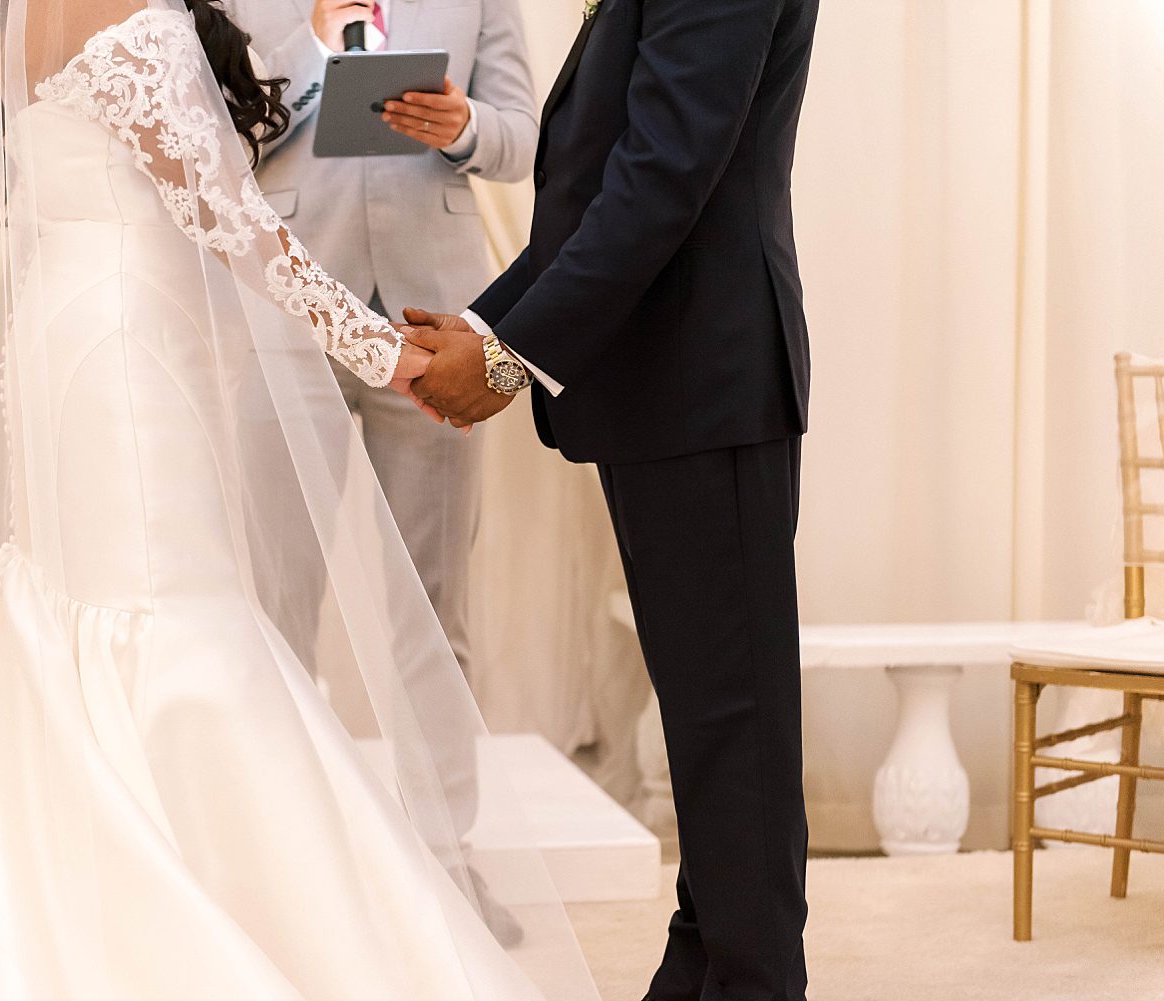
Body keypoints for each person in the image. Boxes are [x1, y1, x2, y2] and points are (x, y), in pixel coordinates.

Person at [0, 2, 597, 998]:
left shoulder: (11, 19)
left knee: (78, 607)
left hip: (70, 323)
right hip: (124, 346)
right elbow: (235, 220)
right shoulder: (129, 15)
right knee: (166, 612)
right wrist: (387, 348)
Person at [403, 1, 821, 999]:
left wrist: (505, 358)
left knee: (734, 730)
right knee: (708, 725)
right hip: (664, 381)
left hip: (706, 378)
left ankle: (755, 977)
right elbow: (595, 185)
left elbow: (664, 171)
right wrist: (480, 324)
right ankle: (702, 962)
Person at [219, 0, 537, 682]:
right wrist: (312, 50)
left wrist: (465, 127)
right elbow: (215, 142)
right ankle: (289, 789)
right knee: (278, 606)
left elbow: (524, 139)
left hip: (433, 321)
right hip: (292, 313)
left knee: (435, 610)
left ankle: (442, 793)